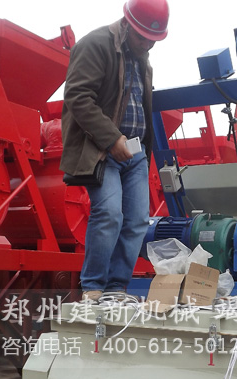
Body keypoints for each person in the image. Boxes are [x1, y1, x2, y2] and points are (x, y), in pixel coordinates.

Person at [61, 0, 169, 302]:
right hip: (102, 150)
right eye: (143, 38)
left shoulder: (143, 58)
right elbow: (77, 96)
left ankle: (115, 289)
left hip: (135, 153)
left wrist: (139, 148)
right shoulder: (95, 44)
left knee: (137, 222)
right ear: (127, 24)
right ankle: (93, 288)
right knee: (108, 214)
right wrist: (111, 139)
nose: (148, 44)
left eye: (153, 40)